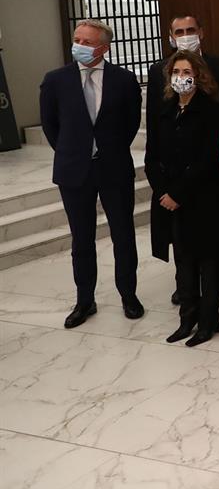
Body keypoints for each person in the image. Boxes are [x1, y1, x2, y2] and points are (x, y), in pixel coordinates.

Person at [39, 19, 144, 328]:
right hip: (74, 171)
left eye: (87, 42)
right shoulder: (56, 80)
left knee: (123, 235)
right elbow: (50, 125)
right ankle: (85, 300)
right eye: (77, 40)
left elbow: (130, 123)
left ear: (103, 47)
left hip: (113, 167)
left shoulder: (123, 80)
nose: (80, 46)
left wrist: (106, 151)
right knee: (81, 239)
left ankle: (129, 295)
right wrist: (76, 151)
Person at [146, 14, 219, 303]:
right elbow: (154, 117)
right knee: (179, 231)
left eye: (190, 30)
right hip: (174, 162)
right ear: (171, 37)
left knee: (215, 227)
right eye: (179, 31)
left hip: (210, 163)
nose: (185, 35)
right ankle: (183, 282)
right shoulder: (159, 70)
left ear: (201, 32)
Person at [146, 50, 219, 347]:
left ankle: (208, 321)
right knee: (183, 262)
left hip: (202, 197)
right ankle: (187, 319)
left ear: (199, 75)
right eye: (176, 72)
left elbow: (209, 159)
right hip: (169, 200)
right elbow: (151, 156)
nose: (181, 77)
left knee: (207, 262)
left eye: (186, 72)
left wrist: (178, 193)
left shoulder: (211, 110)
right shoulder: (165, 108)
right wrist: (163, 192)